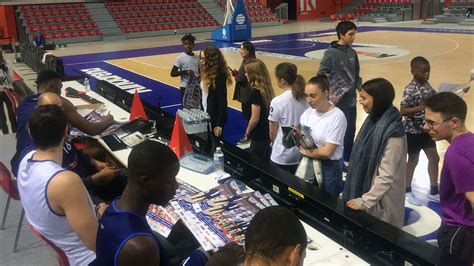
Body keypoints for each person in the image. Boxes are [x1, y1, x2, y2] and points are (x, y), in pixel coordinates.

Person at [11, 70, 124, 202]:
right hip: (71, 187)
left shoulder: (25, 103)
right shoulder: (48, 163)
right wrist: (97, 178)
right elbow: (63, 185)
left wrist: (93, 162)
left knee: (102, 158)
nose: (61, 94)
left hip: (30, 171)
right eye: (60, 89)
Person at [17, 105, 99, 265]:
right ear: (66, 132)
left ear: (29, 132)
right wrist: (101, 213)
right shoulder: (65, 181)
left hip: (65, 246)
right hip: (89, 259)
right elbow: (96, 243)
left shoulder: (26, 159)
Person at [95, 140, 180, 266]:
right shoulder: (141, 247)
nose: (176, 186)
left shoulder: (112, 207)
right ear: (145, 181)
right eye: (170, 181)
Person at [343, 78, 407, 228]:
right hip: (373, 200)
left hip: (382, 204)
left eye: (364, 98)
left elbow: (386, 176)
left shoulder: (393, 133)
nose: (360, 101)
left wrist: (365, 201)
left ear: (378, 99)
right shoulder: (373, 121)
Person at [423, 92, 473, 264]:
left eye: (431, 122)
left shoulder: (455, 154)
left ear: (454, 122)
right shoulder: (470, 141)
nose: (425, 127)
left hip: (458, 234)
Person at [318, 20, 361, 171]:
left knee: (350, 132)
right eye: (351, 34)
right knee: (336, 133)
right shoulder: (330, 53)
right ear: (341, 35)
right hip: (336, 103)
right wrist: (335, 86)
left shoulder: (352, 52)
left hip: (351, 102)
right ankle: (333, 159)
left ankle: (347, 161)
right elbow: (321, 74)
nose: (354, 37)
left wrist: (360, 89)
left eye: (354, 34)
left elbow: (356, 76)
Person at [400, 56, 439, 206]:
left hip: (426, 130)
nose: (427, 74)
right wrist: (420, 107)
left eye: (428, 71)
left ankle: (434, 191)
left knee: (434, 158)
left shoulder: (427, 85)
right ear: (413, 71)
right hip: (412, 132)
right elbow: (402, 111)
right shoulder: (410, 89)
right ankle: (407, 190)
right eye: (424, 72)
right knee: (413, 160)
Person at [299, 75, 347, 196]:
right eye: (306, 95)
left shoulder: (337, 116)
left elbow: (327, 152)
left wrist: (305, 152)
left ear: (326, 93)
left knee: (327, 206)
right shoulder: (306, 114)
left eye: (313, 96)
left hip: (328, 169)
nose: (308, 100)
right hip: (308, 163)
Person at [268, 62, 308, 174]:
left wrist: (272, 142)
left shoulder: (277, 101)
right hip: (301, 152)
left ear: (282, 81)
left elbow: (272, 131)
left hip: (281, 155)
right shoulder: (305, 98)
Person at [243, 59, 275, 160]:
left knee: (255, 163)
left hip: (258, 136)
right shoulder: (267, 90)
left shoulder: (255, 93)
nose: (245, 75)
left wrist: (247, 131)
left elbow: (255, 118)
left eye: (247, 73)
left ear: (253, 75)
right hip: (266, 133)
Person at [199, 45, 232, 138]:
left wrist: (219, 124)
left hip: (214, 117)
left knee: (216, 146)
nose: (201, 61)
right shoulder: (204, 72)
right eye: (200, 58)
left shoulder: (219, 76)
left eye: (203, 58)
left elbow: (223, 102)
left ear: (211, 60)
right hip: (205, 114)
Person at [232, 41, 256, 143]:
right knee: (248, 116)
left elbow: (240, 78)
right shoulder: (246, 61)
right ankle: (251, 134)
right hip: (246, 94)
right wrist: (237, 74)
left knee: (250, 116)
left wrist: (236, 75)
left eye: (242, 49)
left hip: (248, 94)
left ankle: (250, 135)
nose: (240, 51)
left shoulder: (249, 63)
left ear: (247, 50)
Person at [170, 34, 199, 101]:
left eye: (189, 44)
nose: (188, 46)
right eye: (185, 44)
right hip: (185, 87)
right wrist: (185, 72)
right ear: (183, 45)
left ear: (193, 45)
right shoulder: (180, 58)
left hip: (196, 87)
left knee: (197, 108)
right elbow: (173, 73)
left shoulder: (197, 58)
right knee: (186, 108)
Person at [0, 50, 16, 134]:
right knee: (1, 116)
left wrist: (6, 72)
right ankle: (5, 134)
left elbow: (11, 80)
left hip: (8, 91)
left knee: (12, 113)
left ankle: (15, 132)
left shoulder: (7, 64)